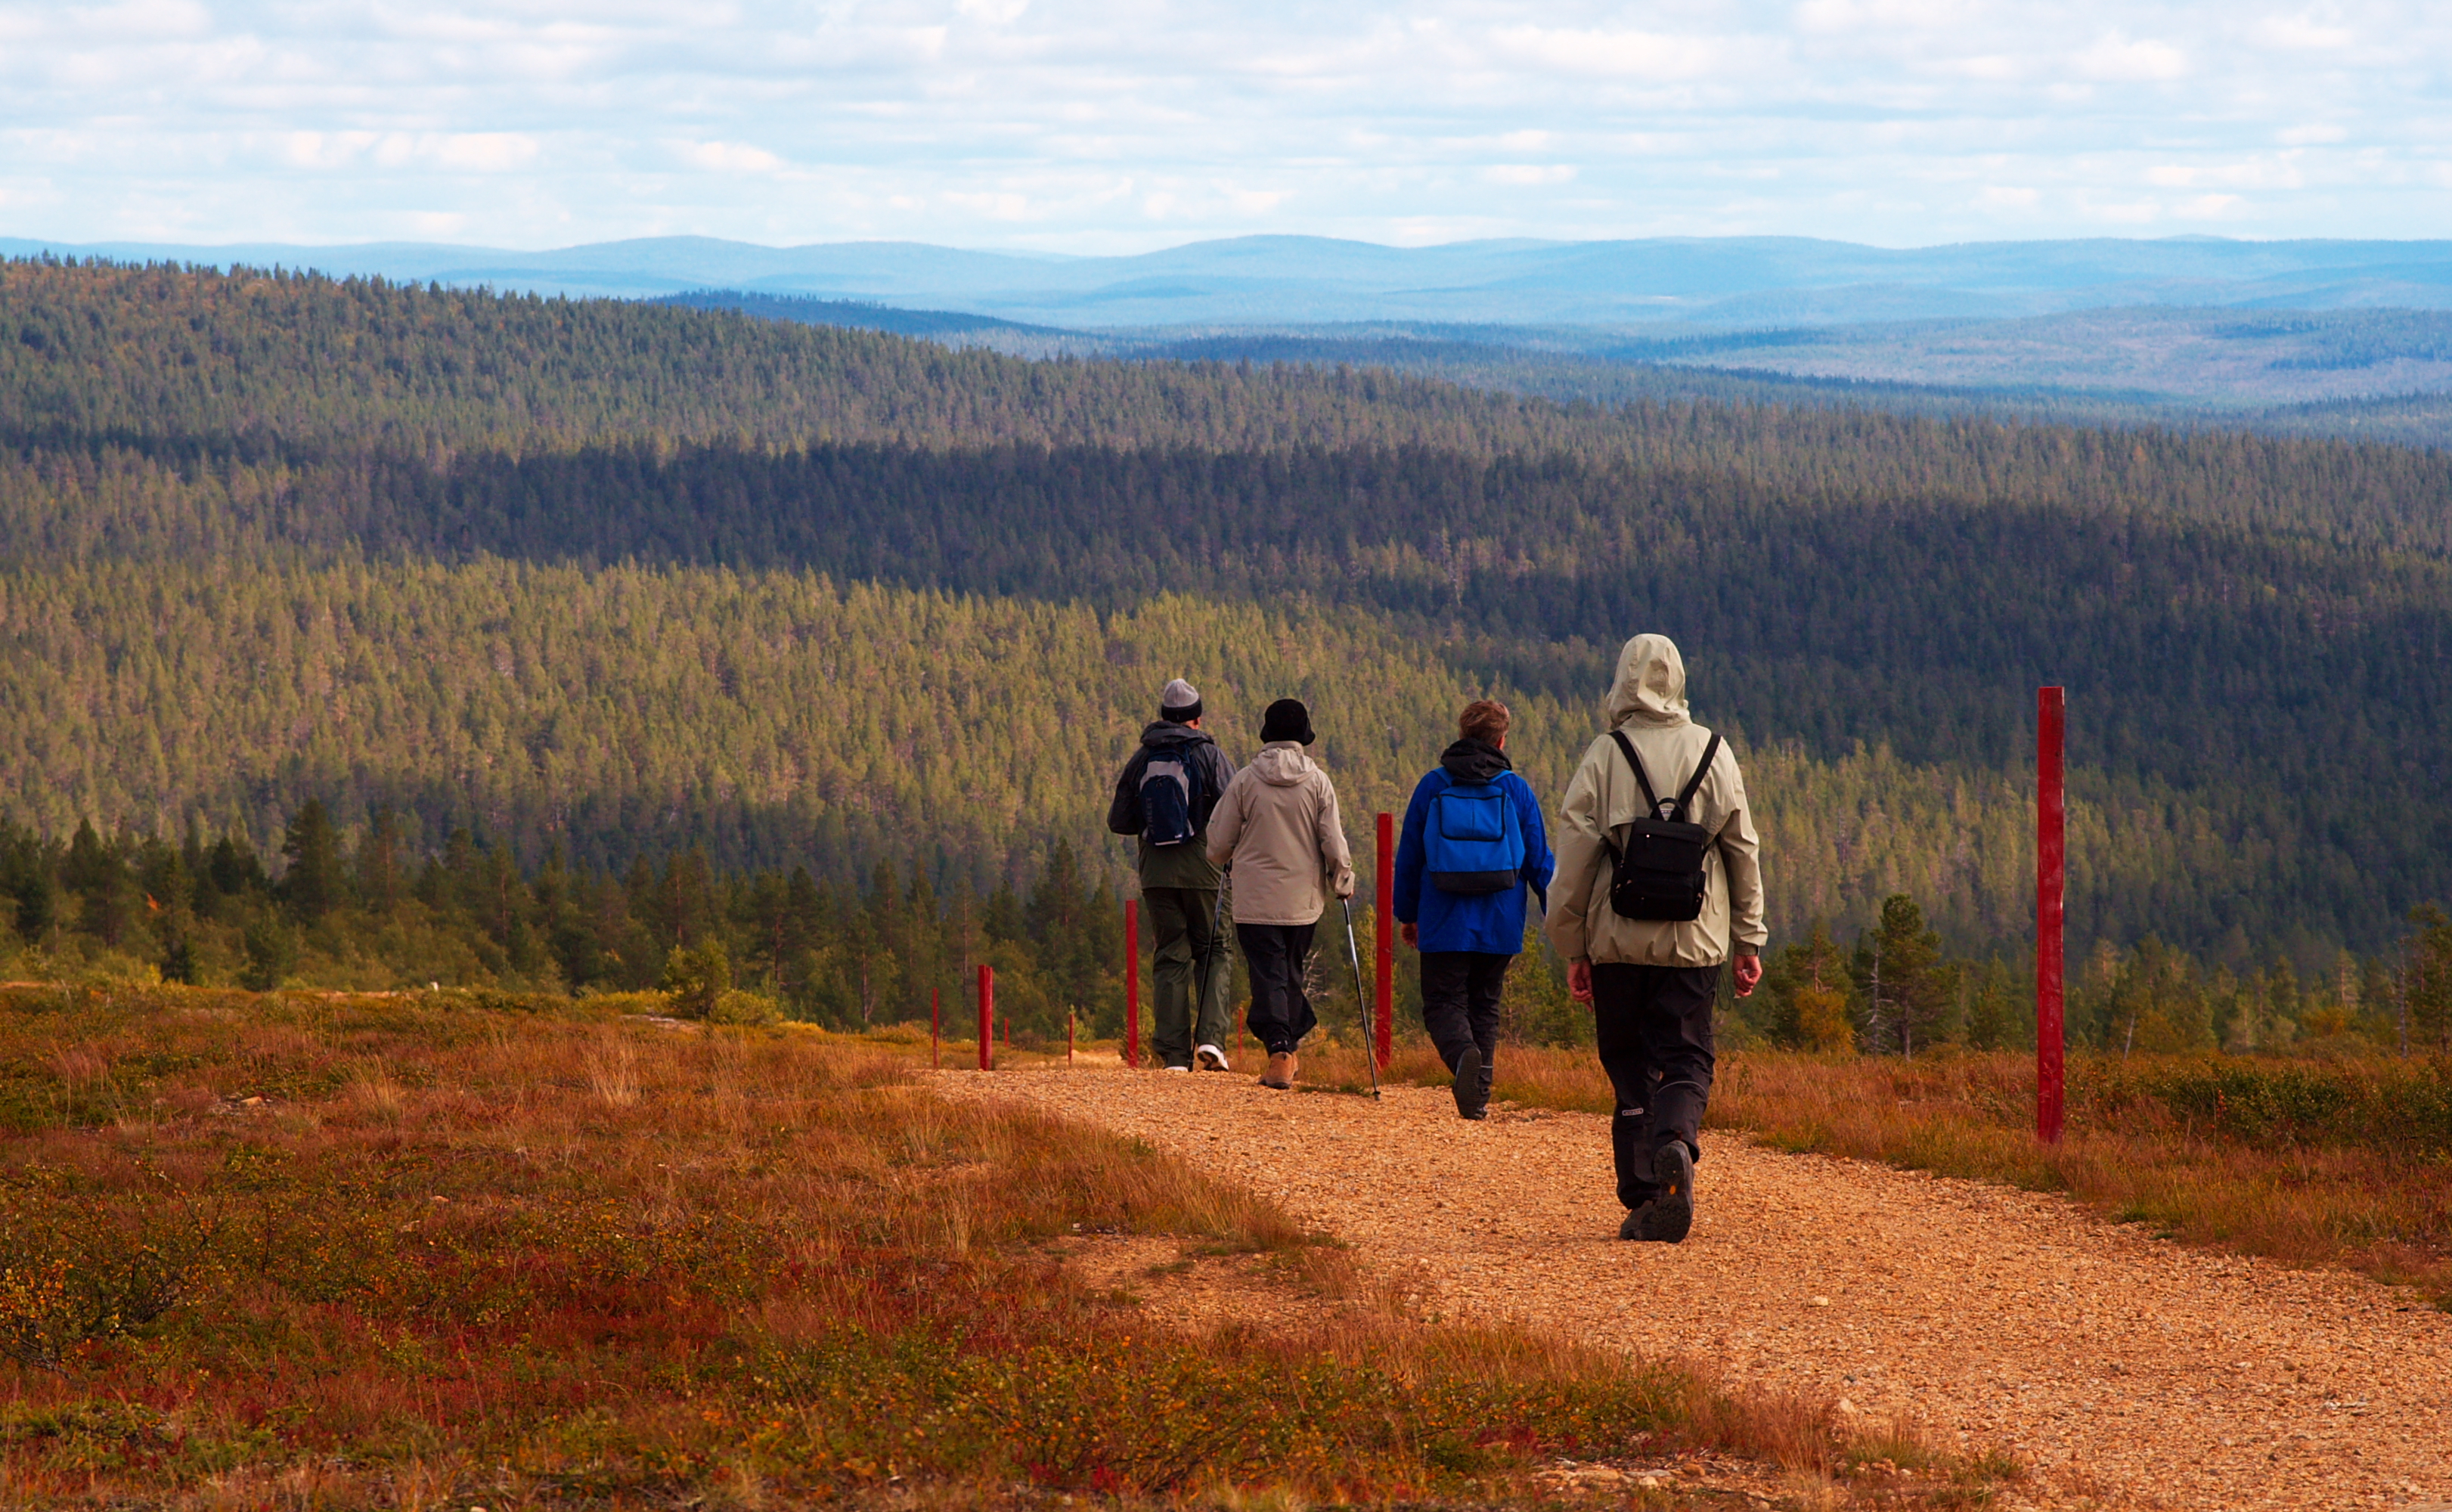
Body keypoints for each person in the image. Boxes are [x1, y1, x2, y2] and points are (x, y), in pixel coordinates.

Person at [1545, 634, 1765, 1244]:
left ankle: (1645, 1192)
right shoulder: (1713, 752)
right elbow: (1741, 850)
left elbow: (1575, 856)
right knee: (1687, 1055)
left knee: (1627, 1060)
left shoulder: (1604, 754)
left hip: (1616, 938)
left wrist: (1572, 945)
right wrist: (1748, 938)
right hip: (1693, 940)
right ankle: (1676, 1141)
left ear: (1622, 680)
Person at [1393, 699, 1556, 1120]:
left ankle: (1464, 1056)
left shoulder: (1433, 785)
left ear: (1463, 734)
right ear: (1502, 739)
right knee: (1484, 1003)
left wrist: (1407, 914)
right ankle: (1477, 1095)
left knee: (1442, 1002)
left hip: (1443, 914)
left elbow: (1410, 856)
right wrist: (1561, 917)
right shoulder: (1515, 789)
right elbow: (1539, 861)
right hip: (1500, 918)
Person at [1204, 698, 1356, 1089]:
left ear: (1268, 735)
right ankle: (1288, 1044)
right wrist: (1342, 878)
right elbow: (1333, 842)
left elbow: (1219, 845)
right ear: (1303, 737)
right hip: (1304, 901)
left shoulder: (1244, 781)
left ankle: (1281, 1049)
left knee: (1269, 973)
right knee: (1289, 972)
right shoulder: (1318, 781)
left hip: (1254, 899)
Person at [1107, 677, 1239, 1071]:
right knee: (1215, 950)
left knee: (1170, 955)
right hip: (1205, 867)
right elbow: (1235, 809)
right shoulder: (1210, 755)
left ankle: (1175, 1055)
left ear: (1163, 717)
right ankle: (1212, 1040)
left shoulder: (1141, 758)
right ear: (1196, 720)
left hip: (1156, 872)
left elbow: (1118, 820)